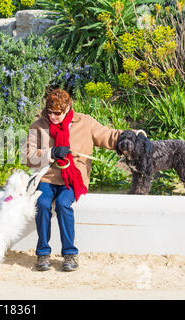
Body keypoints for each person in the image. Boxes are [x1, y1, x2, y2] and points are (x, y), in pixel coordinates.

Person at [24, 88, 138, 272]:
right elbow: (28, 157)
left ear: (68, 108)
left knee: (62, 204)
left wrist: (133, 134)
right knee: (43, 203)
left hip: (73, 177)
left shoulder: (85, 122)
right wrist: (51, 153)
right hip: (47, 176)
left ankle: (70, 254)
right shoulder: (38, 126)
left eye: (57, 113)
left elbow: (108, 135)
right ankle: (43, 253)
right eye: (49, 112)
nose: (52, 116)